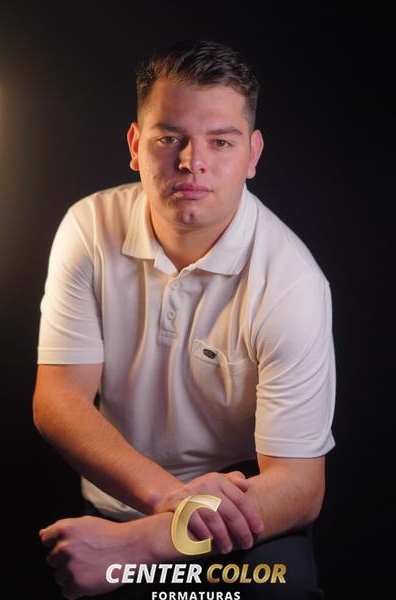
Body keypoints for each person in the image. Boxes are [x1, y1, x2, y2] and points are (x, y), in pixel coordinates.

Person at [33, 39, 336, 600]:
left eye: (221, 141)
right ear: (135, 145)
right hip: (120, 497)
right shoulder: (88, 228)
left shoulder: (292, 283)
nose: (192, 161)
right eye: (169, 137)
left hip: (241, 518)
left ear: (252, 154)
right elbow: (58, 399)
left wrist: (147, 542)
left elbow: (299, 486)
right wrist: (170, 499)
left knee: (280, 591)